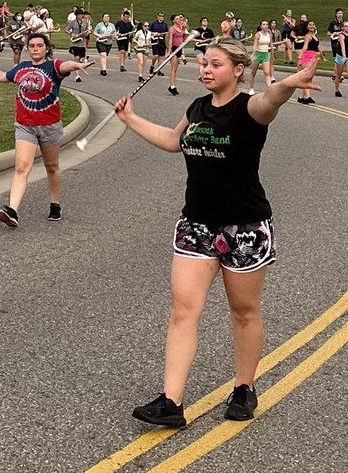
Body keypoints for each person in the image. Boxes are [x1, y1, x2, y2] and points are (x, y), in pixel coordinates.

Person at [114, 38, 317, 427]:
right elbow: (175, 142)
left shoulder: (248, 111)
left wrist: (290, 84)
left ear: (238, 70)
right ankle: (171, 402)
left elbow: (270, 99)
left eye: (216, 64)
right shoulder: (197, 108)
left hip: (244, 228)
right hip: (196, 225)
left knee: (243, 312)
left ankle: (244, 388)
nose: (206, 70)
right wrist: (130, 120)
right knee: (183, 312)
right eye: (204, 63)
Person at [0, 32, 90, 227]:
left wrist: (76, 65)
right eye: (32, 46)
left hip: (50, 126)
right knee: (21, 167)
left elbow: (65, 66)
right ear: (28, 49)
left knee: (51, 166)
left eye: (39, 45)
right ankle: (12, 211)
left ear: (46, 48)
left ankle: (55, 204)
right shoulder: (22, 68)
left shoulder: (53, 66)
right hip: (25, 125)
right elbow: (2, 76)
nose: (35, 49)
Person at [293, 19, 321, 104]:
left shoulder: (315, 36)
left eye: (313, 24)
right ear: (307, 27)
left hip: (314, 57)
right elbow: (305, 47)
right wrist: (300, 57)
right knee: (306, 78)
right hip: (307, 57)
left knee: (309, 78)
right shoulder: (307, 36)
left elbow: (317, 47)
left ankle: (302, 97)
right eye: (310, 25)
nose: (312, 26)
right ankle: (307, 96)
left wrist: (322, 56)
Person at [248, 21, 273, 95]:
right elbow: (255, 44)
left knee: (267, 73)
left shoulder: (269, 35)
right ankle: (251, 88)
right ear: (261, 26)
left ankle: (270, 90)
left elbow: (271, 46)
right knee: (253, 72)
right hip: (258, 54)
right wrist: (253, 54)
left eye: (266, 24)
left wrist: (272, 56)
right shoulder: (258, 34)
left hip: (265, 54)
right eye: (263, 24)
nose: (265, 26)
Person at [166, 13, 189, 96]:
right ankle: (172, 86)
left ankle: (173, 85)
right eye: (177, 19)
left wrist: (185, 26)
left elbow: (184, 37)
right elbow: (170, 40)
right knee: (173, 68)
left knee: (176, 69)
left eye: (179, 19)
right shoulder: (172, 29)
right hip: (174, 49)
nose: (179, 20)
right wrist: (169, 51)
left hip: (179, 48)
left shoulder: (181, 27)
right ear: (173, 21)